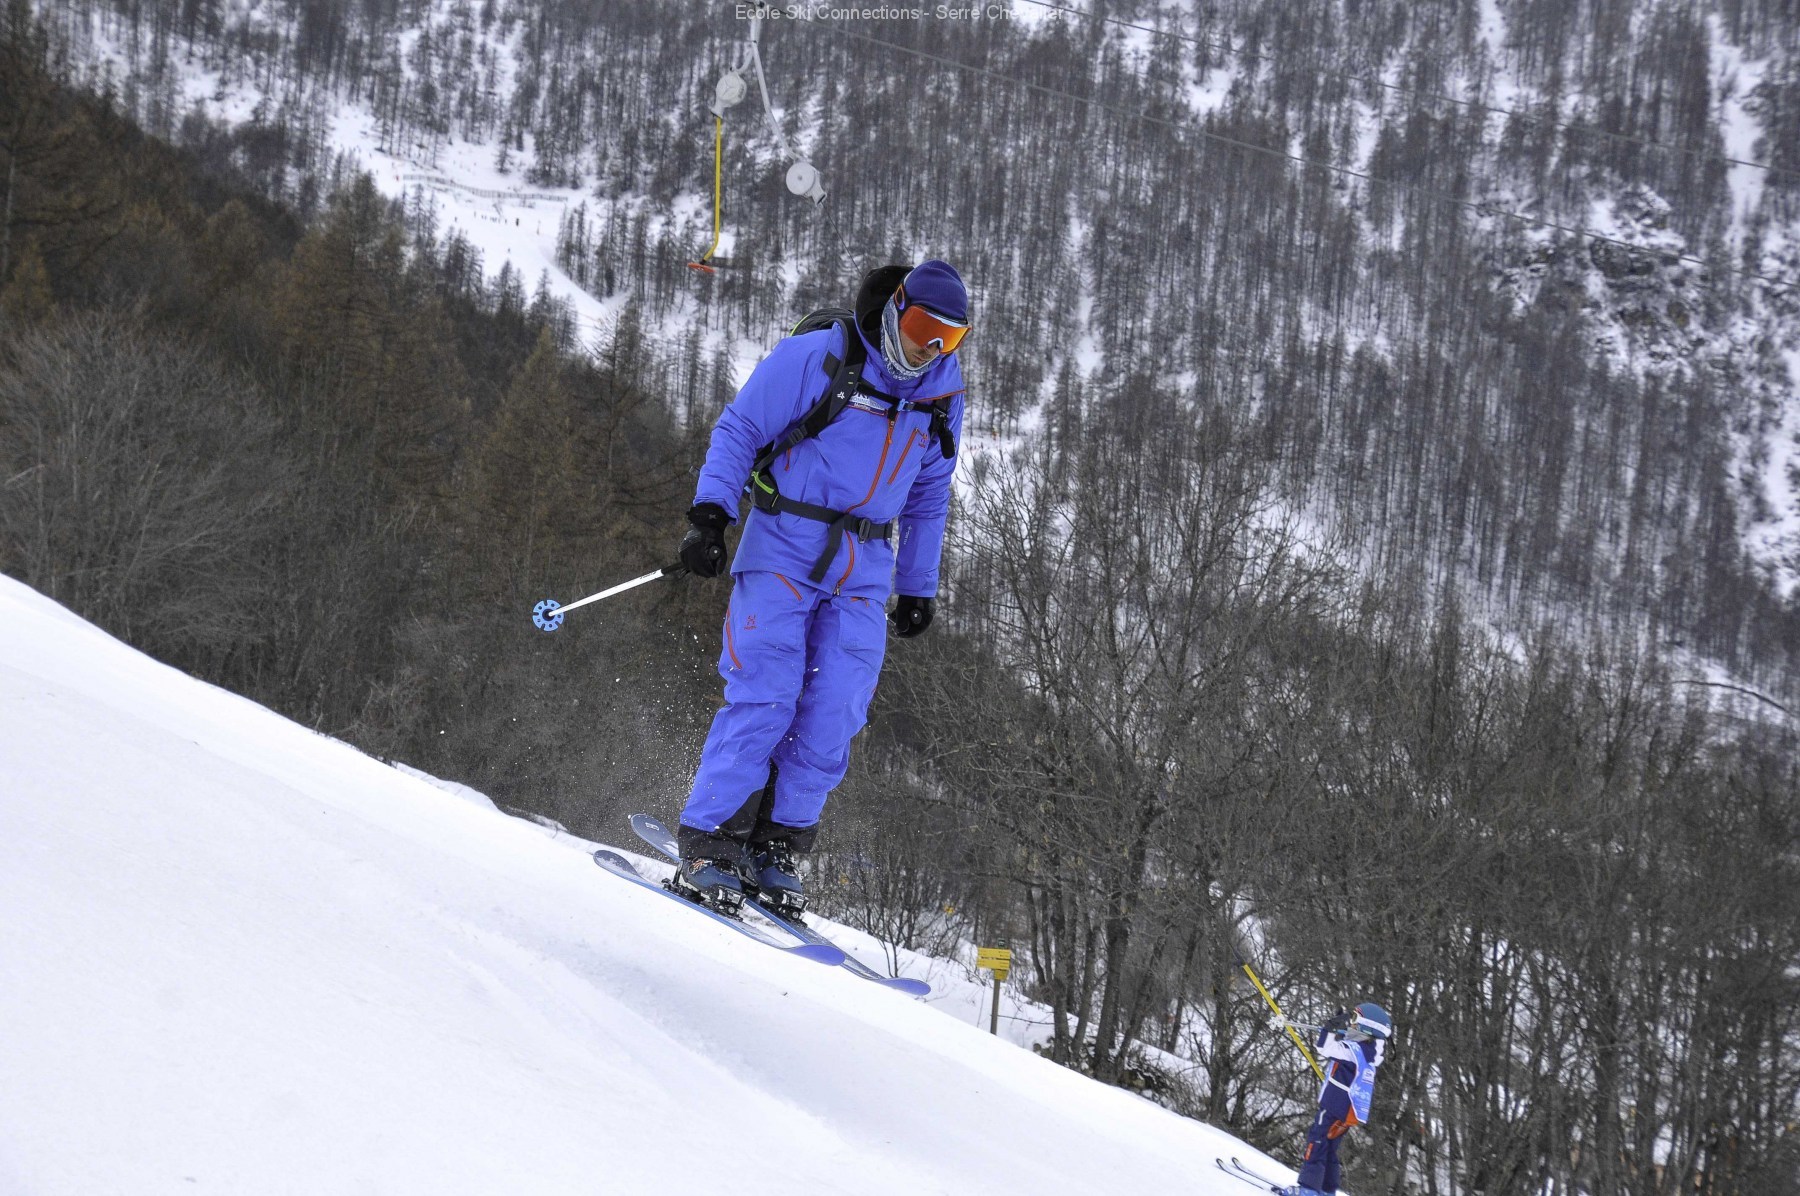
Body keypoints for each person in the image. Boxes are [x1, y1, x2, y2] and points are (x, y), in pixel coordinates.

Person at [669, 259, 969, 917]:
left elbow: (929, 496)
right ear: (897, 307)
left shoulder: (942, 396)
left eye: (950, 337)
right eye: (924, 327)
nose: (932, 347)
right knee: (767, 693)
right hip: (783, 545)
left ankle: (774, 845)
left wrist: (918, 586)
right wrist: (710, 515)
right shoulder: (824, 355)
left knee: (837, 706)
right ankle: (711, 838)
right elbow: (741, 428)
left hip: (865, 568)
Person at [1279, 1002, 1393, 1196]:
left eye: (1355, 1020)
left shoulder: (1353, 1051)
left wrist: (1330, 1028)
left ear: (1367, 1028)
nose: (1351, 1024)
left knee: (1317, 1141)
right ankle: (1326, 1189)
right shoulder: (1370, 1052)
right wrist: (1337, 1028)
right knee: (1330, 1146)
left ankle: (1309, 1188)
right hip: (1348, 1111)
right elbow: (1344, 1044)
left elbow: (1325, 1047)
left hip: (1333, 1105)